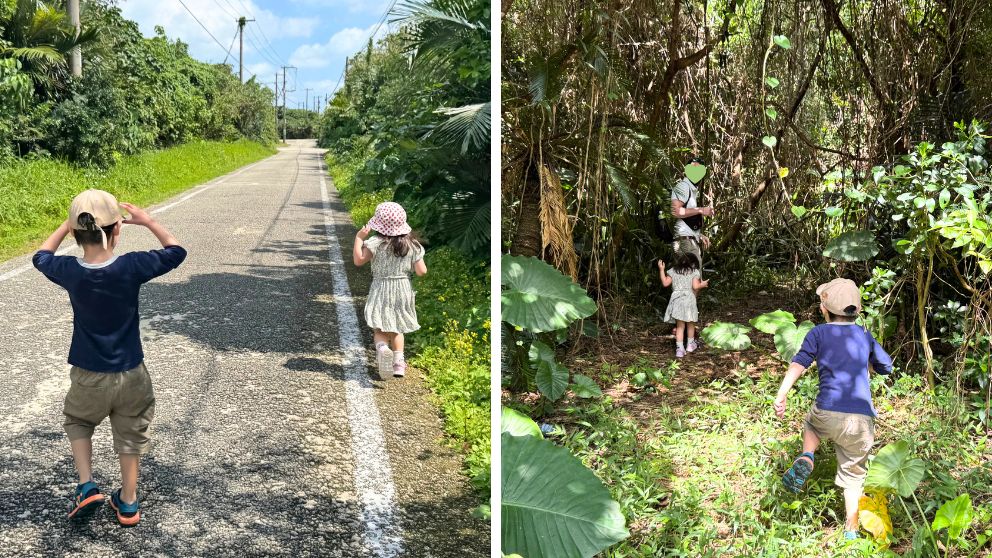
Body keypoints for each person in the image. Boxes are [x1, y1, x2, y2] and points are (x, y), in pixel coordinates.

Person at [33, 190, 187, 526]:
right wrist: (148, 221)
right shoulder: (132, 266)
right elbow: (176, 251)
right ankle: (128, 502)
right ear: (118, 229)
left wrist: (65, 224)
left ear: (75, 232)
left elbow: (40, 256)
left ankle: (87, 485)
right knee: (131, 431)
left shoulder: (69, 270)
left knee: (78, 421)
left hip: (89, 372)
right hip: (132, 371)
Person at [773, 278, 894, 541]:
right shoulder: (864, 335)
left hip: (827, 412)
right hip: (862, 419)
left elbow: (799, 363)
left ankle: (807, 455)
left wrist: (782, 393)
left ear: (824, 308)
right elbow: (886, 366)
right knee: (853, 475)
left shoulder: (817, 333)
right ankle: (851, 532)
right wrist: (867, 365)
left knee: (812, 424)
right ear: (857, 310)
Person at [352, 202, 428, 380]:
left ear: (378, 224)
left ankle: (382, 349)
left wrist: (358, 238)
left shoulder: (374, 244)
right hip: (402, 289)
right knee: (397, 327)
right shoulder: (413, 245)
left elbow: (358, 260)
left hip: (381, 288)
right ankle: (399, 363)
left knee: (380, 326)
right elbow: (421, 271)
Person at [658, 252, 708, 358]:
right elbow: (695, 287)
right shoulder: (694, 272)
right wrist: (702, 285)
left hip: (677, 300)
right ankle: (690, 345)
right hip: (689, 299)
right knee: (691, 323)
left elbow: (665, 283)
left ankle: (680, 349)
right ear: (693, 263)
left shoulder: (673, 271)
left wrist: (662, 269)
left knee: (680, 326)